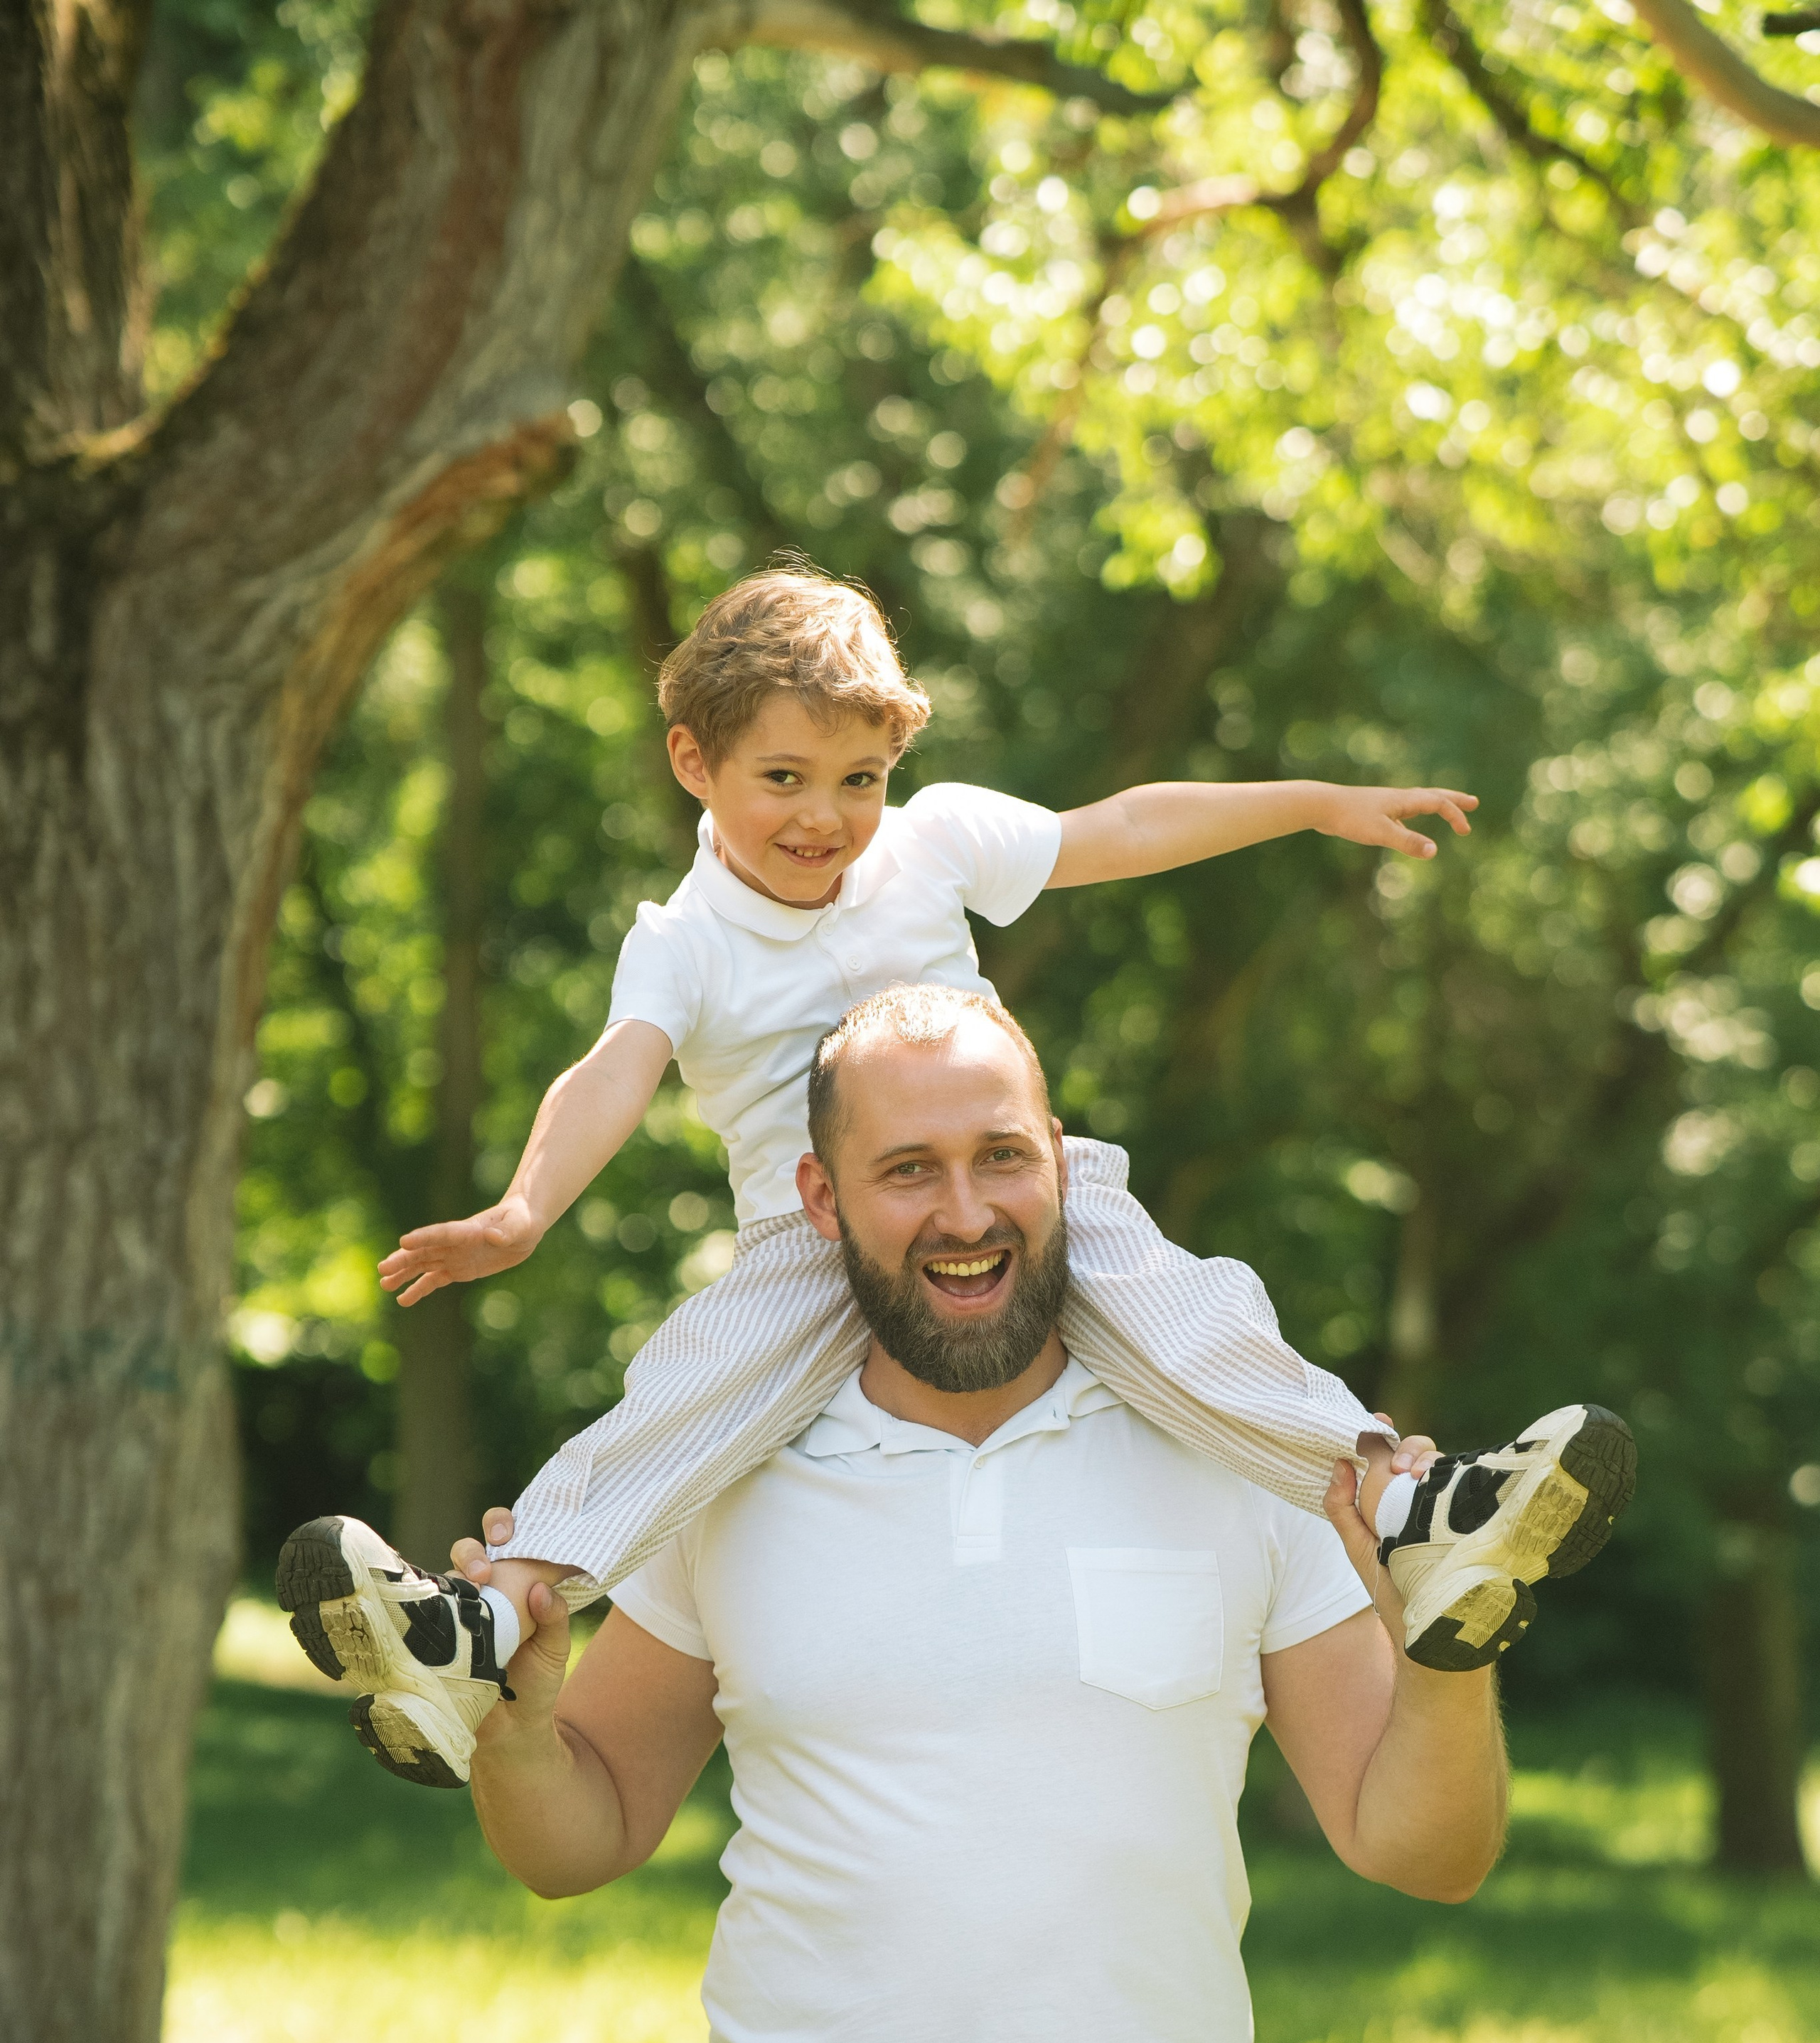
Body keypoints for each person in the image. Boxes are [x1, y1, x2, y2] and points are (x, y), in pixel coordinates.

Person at [458, 991, 1524, 2043]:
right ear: (820, 1203)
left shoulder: (1243, 1462)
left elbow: (1421, 1846)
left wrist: (1451, 1654)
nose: (963, 1213)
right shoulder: (725, 1470)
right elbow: (585, 1832)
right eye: (906, 1171)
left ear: (1065, 1168)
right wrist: (514, 1725)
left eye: (998, 1158)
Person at [276, 570, 1634, 1785]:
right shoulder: (684, 942)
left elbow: (1125, 827)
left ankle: (1410, 1507)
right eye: (786, 779)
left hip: (1010, 1185)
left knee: (1194, 1314)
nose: (828, 819)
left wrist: (1312, 806)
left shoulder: (934, 843)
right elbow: (614, 1072)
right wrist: (525, 1212)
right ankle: (488, 1622)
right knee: (683, 1398)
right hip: (815, 1238)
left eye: (858, 778)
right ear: (695, 761)